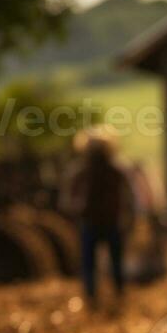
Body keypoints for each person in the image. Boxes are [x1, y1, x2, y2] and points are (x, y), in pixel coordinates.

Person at [61, 127, 136, 308]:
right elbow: (68, 199)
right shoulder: (82, 172)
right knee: (91, 264)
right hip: (94, 223)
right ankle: (92, 298)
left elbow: (129, 199)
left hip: (108, 223)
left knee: (112, 264)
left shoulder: (115, 171)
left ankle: (116, 296)